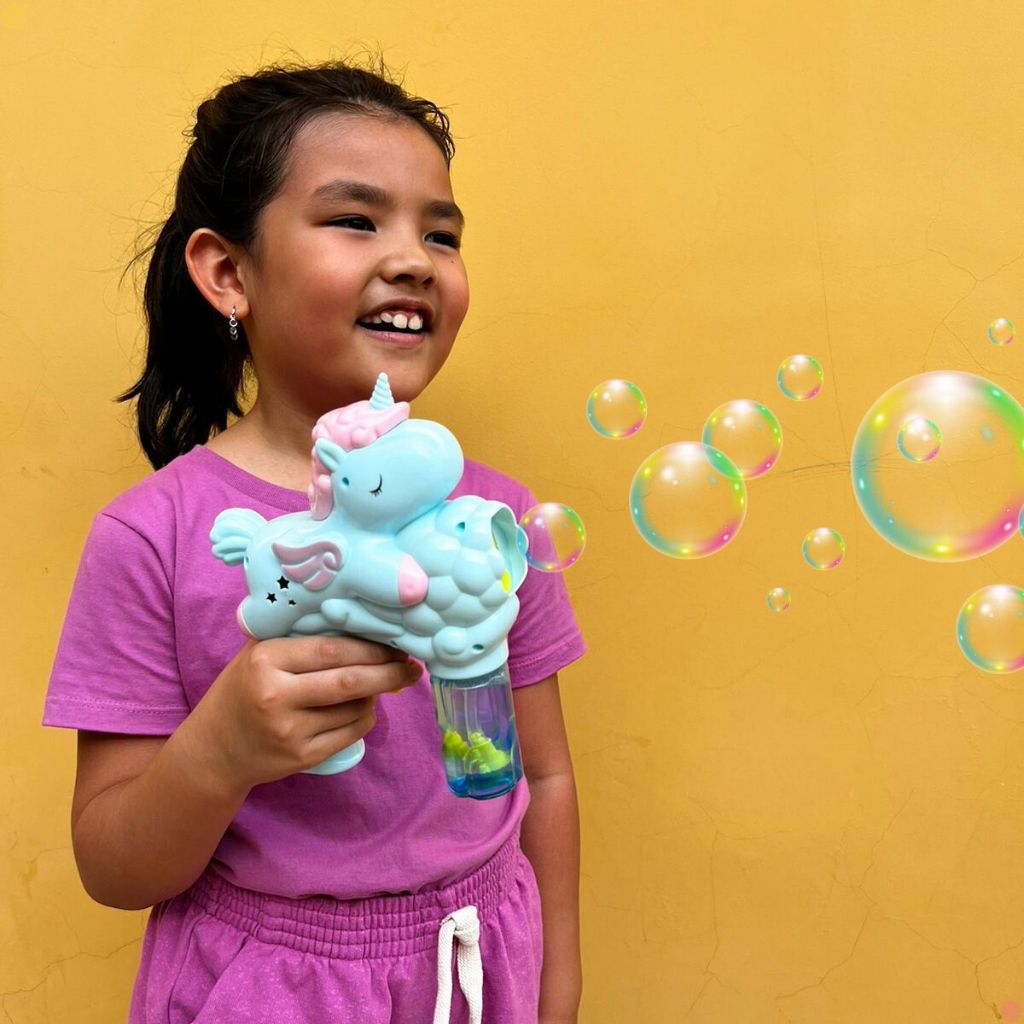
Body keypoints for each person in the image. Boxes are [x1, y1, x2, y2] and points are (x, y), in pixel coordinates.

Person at [43, 58, 586, 1024]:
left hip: (477, 963)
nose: (415, 257)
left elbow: (541, 773)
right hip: (269, 988)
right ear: (228, 273)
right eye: (356, 218)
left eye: (442, 233)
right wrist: (221, 750)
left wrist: (555, 989)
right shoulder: (154, 537)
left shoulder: (491, 520)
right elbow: (112, 865)